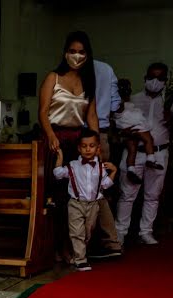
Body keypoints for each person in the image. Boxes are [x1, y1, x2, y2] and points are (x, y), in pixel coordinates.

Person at [39, 31, 100, 263]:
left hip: (78, 142)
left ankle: (72, 247)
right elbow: (42, 112)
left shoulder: (89, 82)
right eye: (72, 51)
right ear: (65, 53)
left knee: (77, 198)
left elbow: (92, 116)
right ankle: (53, 248)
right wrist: (51, 135)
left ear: (87, 55)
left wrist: (97, 146)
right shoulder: (53, 77)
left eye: (81, 52)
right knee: (55, 197)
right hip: (54, 141)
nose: (76, 56)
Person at [114, 62, 173, 246]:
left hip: (159, 152)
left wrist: (170, 113)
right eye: (152, 77)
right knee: (127, 194)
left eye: (160, 78)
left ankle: (145, 231)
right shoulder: (133, 99)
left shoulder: (171, 102)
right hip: (133, 151)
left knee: (152, 195)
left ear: (164, 81)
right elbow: (117, 124)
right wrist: (125, 133)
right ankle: (119, 233)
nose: (155, 81)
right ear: (145, 78)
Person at [52, 129, 118, 272]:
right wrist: (60, 156)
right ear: (79, 148)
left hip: (93, 205)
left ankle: (76, 254)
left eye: (92, 146)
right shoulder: (73, 165)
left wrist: (113, 171)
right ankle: (81, 260)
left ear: (98, 148)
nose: (88, 149)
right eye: (84, 146)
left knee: (88, 232)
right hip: (76, 204)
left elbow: (105, 185)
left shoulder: (101, 168)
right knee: (77, 232)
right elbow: (58, 174)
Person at [90, 58, 125, 259]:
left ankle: (101, 241)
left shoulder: (73, 72)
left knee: (89, 191)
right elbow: (116, 106)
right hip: (101, 133)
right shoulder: (106, 68)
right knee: (96, 190)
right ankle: (109, 241)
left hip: (83, 136)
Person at [114, 78, 163, 183]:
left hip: (127, 126)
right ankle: (151, 159)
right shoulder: (120, 103)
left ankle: (131, 170)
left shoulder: (124, 102)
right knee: (149, 139)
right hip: (133, 126)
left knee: (132, 150)